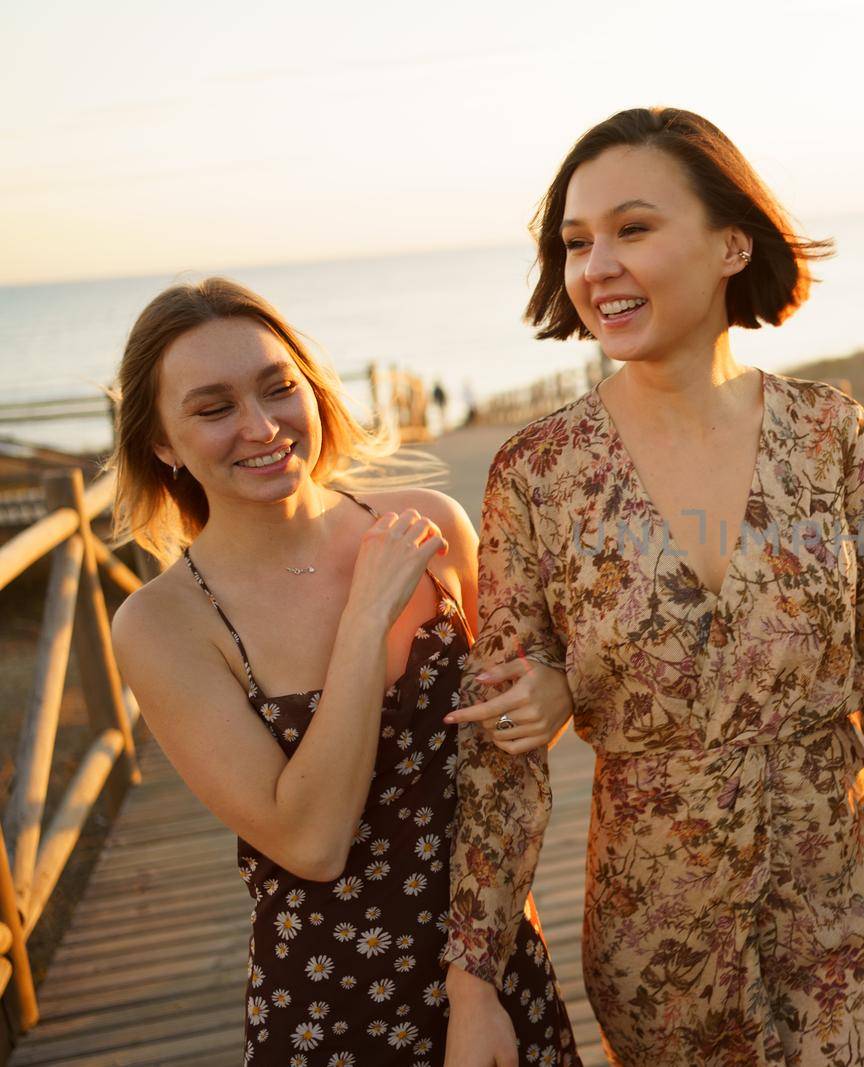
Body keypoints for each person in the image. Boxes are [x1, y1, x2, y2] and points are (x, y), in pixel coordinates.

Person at [440, 107, 864, 1066]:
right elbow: (501, 757)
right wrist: (474, 984)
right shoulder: (538, 475)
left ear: (730, 243)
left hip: (851, 909)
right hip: (660, 941)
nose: (596, 268)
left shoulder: (829, 434)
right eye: (577, 242)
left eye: (633, 228)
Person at [107, 278, 580, 1065]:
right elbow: (312, 840)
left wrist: (553, 690)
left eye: (278, 387)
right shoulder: (164, 623)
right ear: (161, 442)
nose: (262, 426)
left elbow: (504, 758)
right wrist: (365, 619)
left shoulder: (433, 525)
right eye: (214, 407)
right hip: (332, 1007)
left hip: (494, 964)